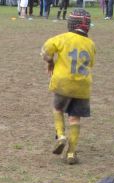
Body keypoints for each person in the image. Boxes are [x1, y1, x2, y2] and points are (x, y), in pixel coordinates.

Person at [41, 8, 94, 165]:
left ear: (70, 23)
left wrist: (50, 62)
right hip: (83, 85)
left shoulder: (62, 38)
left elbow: (46, 51)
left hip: (63, 83)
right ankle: (71, 153)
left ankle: (61, 135)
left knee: (58, 109)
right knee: (74, 118)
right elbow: (91, 64)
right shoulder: (91, 44)